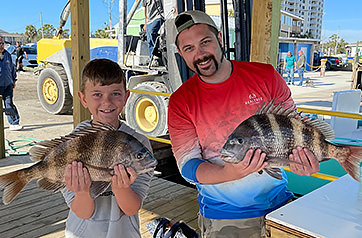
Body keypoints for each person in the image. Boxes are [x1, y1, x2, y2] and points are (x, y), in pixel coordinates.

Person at [168, 10, 319, 238]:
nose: (200, 54)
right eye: (189, 48)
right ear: (181, 54)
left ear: (220, 38)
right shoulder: (181, 101)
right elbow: (187, 166)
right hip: (225, 215)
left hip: (280, 204)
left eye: (205, 42)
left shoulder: (265, 76)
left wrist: (304, 162)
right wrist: (230, 172)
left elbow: (294, 131)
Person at [61, 58, 154, 238]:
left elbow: (131, 208)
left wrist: (122, 189)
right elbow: (82, 212)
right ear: (83, 98)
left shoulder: (138, 143)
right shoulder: (74, 143)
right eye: (97, 94)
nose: (107, 102)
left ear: (126, 97)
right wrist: (82, 192)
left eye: (115, 94)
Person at [0, 35, 23, 131]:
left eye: (3, 44)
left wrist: (13, 80)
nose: (2, 46)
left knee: (9, 104)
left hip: (7, 85)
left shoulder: (7, 55)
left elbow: (12, 68)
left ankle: (14, 123)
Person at [142, 0, 164, 66]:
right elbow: (145, 9)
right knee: (149, 40)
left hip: (158, 16)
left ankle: (157, 57)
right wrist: (145, 23)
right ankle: (152, 58)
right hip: (149, 20)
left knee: (152, 32)